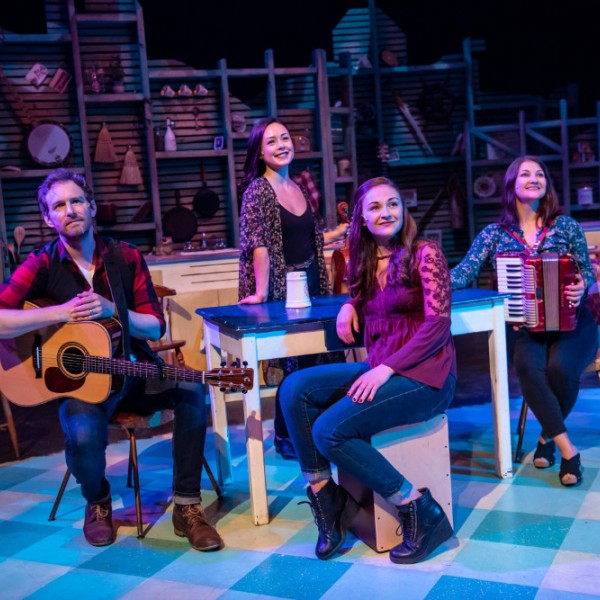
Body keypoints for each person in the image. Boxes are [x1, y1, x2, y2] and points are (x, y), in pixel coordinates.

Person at [0, 169, 223, 551]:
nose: (69, 210)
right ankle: (98, 500)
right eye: (58, 205)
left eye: (75, 201)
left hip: (132, 371)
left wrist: (111, 308)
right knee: (84, 433)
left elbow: (153, 328)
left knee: (192, 388)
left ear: (91, 206)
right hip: (80, 383)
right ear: (47, 218)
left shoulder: (125, 257)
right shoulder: (40, 264)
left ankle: (187, 506)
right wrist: (59, 314)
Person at [279, 176, 456, 564]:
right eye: (375, 207)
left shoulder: (425, 253)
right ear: (360, 217)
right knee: (295, 388)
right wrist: (349, 305)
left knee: (329, 431)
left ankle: (419, 509)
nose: (386, 212)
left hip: (427, 377)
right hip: (385, 369)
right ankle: (327, 497)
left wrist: (386, 368)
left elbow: (438, 325)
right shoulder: (361, 258)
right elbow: (362, 298)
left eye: (393, 204)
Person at [451, 155, 597, 486]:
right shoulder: (494, 234)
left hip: (575, 323)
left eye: (540, 173)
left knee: (561, 368)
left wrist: (581, 284)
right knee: (528, 367)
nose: (534, 178)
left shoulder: (566, 226)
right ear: (511, 185)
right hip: (527, 327)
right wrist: (427, 277)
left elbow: (586, 270)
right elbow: (463, 273)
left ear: (547, 184)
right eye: (525, 173)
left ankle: (546, 439)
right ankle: (568, 450)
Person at [237, 116, 347, 460]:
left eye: (284, 138)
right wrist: (261, 293)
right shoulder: (258, 191)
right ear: (259, 152)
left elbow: (305, 239)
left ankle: (321, 428)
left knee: (322, 356)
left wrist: (334, 236)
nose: (281, 145)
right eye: (271, 141)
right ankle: (285, 435)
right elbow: (260, 245)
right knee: (295, 364)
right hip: (283, 289)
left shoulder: (298, 186)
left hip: (312, 282)